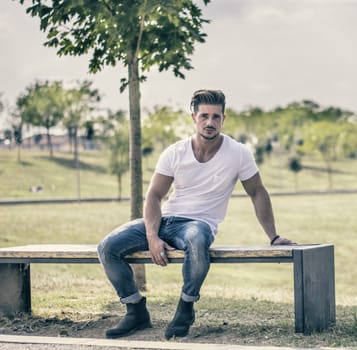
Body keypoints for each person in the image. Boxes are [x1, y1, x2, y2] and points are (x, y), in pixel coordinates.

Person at [97, 89, 294, 340]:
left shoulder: (239, 153)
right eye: (204, 116)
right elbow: (154, 196)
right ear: (193, 117)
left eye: (215, 117)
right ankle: (135, 310)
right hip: (165, 220)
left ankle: (186, 307)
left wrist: (274, 236)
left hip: (198, 224)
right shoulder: (175, 152)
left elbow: (257, 192)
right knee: (107, 247)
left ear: (224, 119)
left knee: (196, 240)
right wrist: (152, 236)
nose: (210, 122)